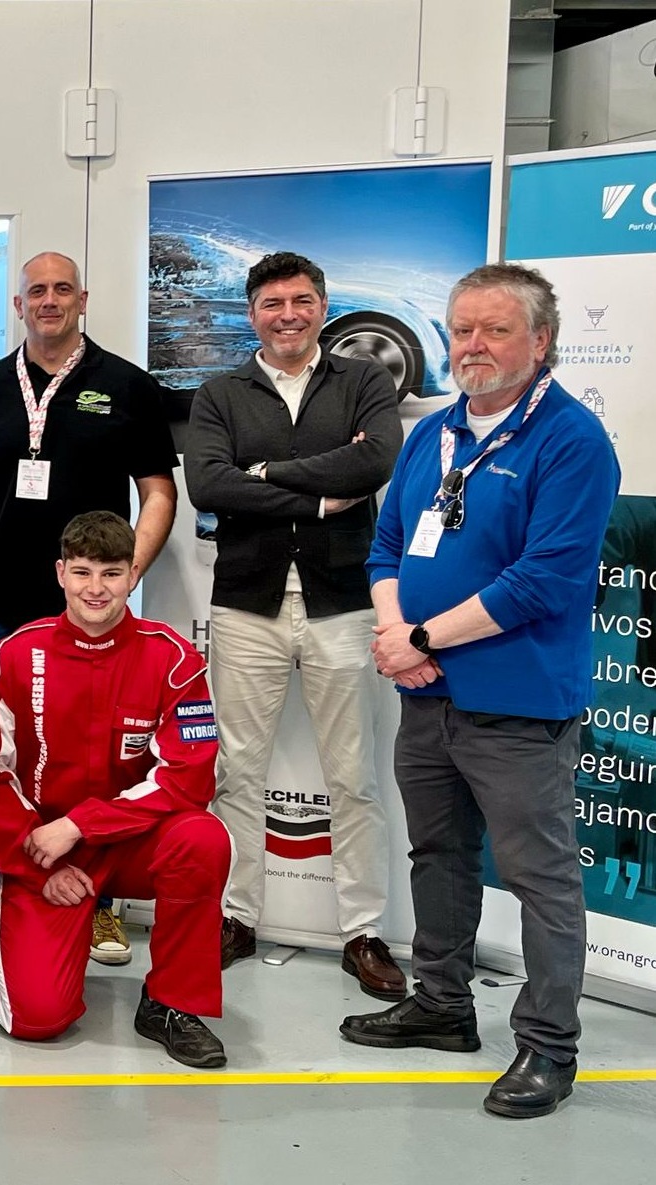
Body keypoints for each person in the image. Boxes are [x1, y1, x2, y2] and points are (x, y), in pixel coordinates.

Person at [342, 263, 620, 1119]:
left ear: (541, 340)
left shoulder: (571, 440)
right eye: (462, 329)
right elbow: (387, 545)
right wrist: (398, 635)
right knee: (439, 856)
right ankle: (442, 1003)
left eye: (496, 330)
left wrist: (422, 638)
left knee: (540, 878)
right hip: (426, 696)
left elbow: (545, 579)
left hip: (518, 704)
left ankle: (548, 1045)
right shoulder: (435, 432)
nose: (473, 346)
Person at [0, 251, 179, 961]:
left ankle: (99, 902)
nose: (49, 300)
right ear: (18, 305)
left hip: (90, 611)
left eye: (62, 289)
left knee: (91, 761)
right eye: (35, 290)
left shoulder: (127, 385)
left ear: (83, 299)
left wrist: (129, 569)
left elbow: (158, 491)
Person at [184, 251, 406, 996]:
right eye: (273, 303)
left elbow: (373, 465)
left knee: (354, 776)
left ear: (322, 306)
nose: (288, 315)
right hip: (247, 604)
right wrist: (314, 496)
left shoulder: (363, 381)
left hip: (343, 600)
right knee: (237, 772)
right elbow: (207, 485)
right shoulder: (220, 394)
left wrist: (262, 476)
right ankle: (236, 916)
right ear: (252, 314)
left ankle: (363, 931)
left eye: (302, 300)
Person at [0, 512, 229, 1068]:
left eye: (112, 573)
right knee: (37, 1020)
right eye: (83, 572)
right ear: (60, 573)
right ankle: (24, 933)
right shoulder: (9, 657)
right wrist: (36, 860)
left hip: (128, 842)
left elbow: (188, 776)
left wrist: (82, 825)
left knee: (202, 838)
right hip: (42, 850)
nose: (96, 589)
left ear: (133, 575)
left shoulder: (174, 659)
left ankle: (171, 1004)